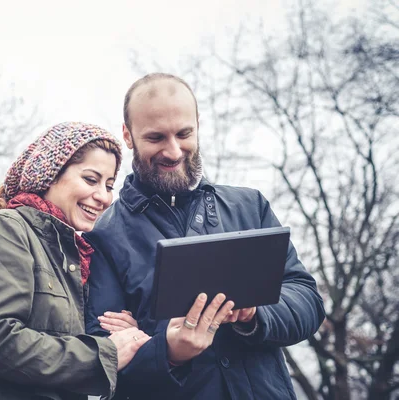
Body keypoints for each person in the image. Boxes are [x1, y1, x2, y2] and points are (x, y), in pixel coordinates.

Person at [84, 73, 326, 400]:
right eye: (155, 138)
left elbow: (308, 301)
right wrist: (167, 351)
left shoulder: (250, 206)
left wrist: (256, 314)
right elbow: (104, 356)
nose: (173, 151)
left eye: (184, 133)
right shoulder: (104, 235)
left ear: (198, 123)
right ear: (128, 135)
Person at [0, 122, 151, 400]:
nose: (104, 197)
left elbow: (62, 340)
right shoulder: (5, 229)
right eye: (91, 180)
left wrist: (124, 331)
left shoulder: (72, 256)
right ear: (49, 175)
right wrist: (107, 354)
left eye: (109, 185)